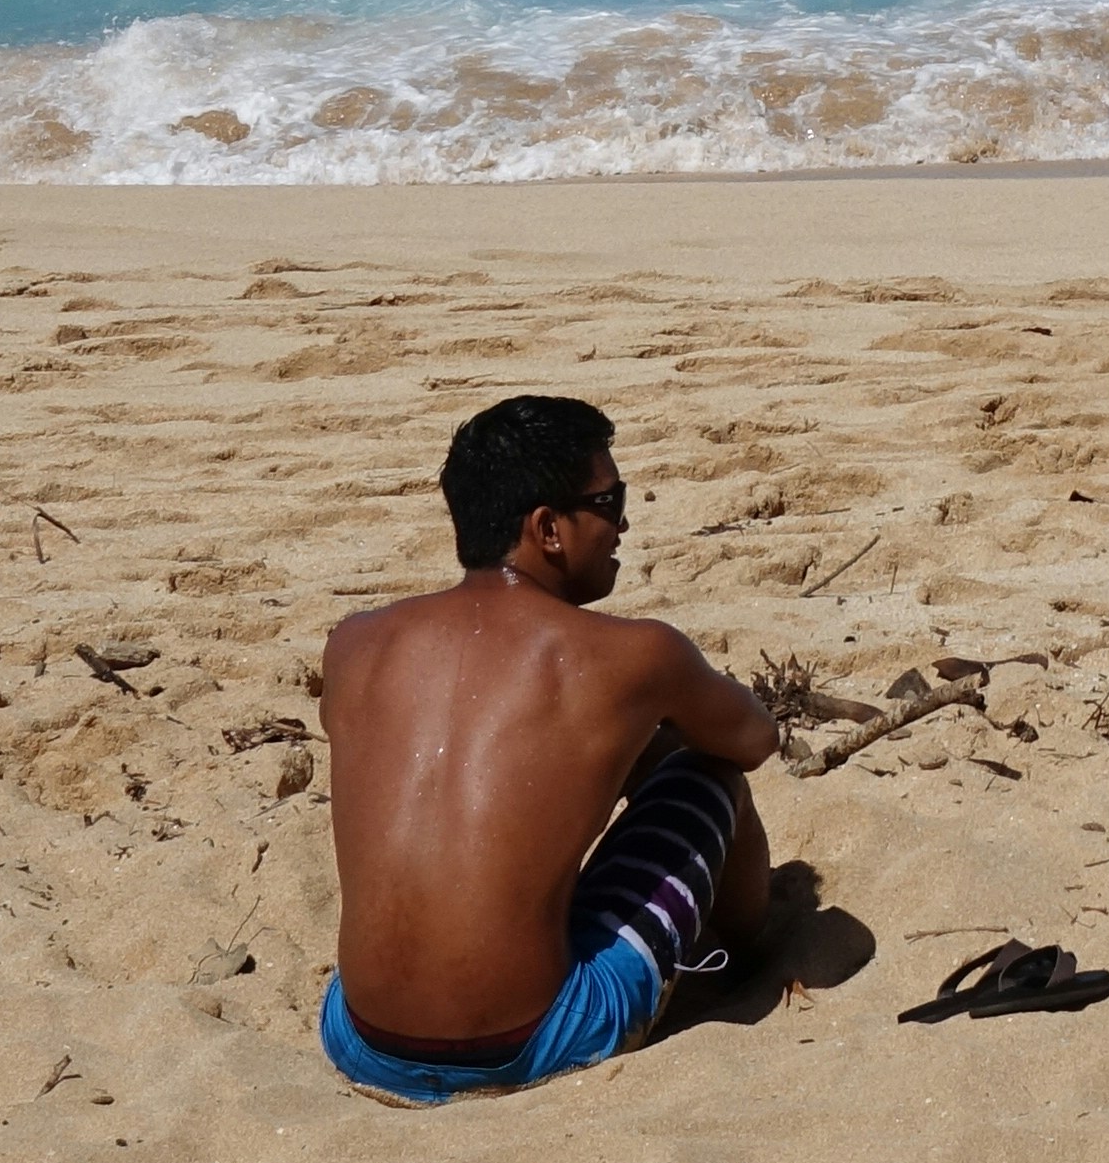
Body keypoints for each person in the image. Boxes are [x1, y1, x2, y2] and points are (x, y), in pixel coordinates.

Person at [317, 394, 792, 1102]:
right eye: (609, 500)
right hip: (533, 1040)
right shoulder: (633, 656)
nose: (623, 521)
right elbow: (753, 739)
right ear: (547, 528)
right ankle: (749, 963)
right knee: (706, 777)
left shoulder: (356, 643)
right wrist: (652, 739)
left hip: (359, 1038)